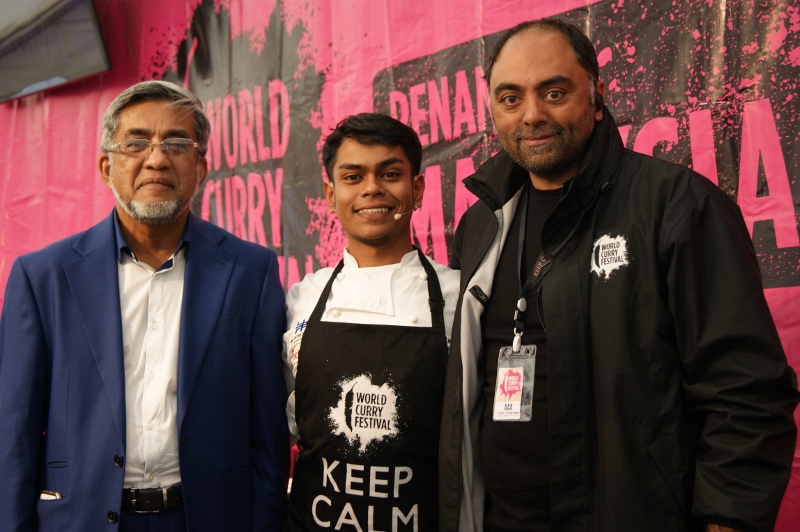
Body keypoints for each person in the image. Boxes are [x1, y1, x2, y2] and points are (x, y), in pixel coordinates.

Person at [439, 18, 799, 532]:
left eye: (555, 92)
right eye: (510, 98)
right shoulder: (481, 222)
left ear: (597, 94)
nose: (532, 115)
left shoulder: (678, 206)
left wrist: (728, 520)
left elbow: (746, 392)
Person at [0, 80, 289, 531]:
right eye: (136, 143)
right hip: (81, 520)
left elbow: (268, 434)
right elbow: (13, 433)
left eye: (175, 143)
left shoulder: (251, 272)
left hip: (207, 519)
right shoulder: (43, 278)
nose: (156, 159)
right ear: (105, 166)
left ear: (201, 165)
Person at [283, 113, 459, 530]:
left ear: (416, 189)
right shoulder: (302, 298)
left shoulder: (459, 297)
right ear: (330, 194)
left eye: (390, 173)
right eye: (353, 176)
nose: (372, 189)